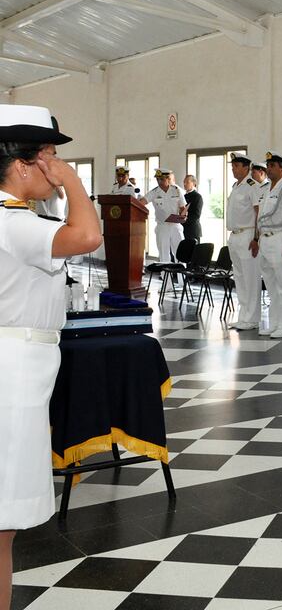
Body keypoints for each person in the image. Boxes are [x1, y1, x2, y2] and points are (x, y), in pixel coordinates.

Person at [0, 104, 102, 610]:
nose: (54, 165)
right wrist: (74, 184)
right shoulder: (11, 219)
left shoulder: (17, 217)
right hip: (11, 371)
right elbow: (86, 236)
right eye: (48, 155)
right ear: (22, 165)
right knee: (0, 522)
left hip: (21, 366)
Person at [255, 151, 282, 338]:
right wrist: (257, 239)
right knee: (271, 284)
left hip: (281, 237)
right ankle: (274, 324)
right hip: (265, 238)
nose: (269, 168)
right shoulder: (266, 188)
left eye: (272, 166)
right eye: (268, 165)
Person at [226, 153, 262, 330]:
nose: (232, 169)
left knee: (250, 278)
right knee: (240, 278)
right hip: (235, 236)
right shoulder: (236, 186)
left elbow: (259, 214)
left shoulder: (252, 186)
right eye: (232, 166)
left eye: (235, 166)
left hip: (248, 235)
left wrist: (256, 238)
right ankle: (243, 316)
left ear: (246, 167)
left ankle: (253, 318)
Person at [139, 168, 186, 263]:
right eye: (157, 179)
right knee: (164, 256)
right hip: (162, 226)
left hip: (176, 226)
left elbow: (182, 208)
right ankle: (166, 278)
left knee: (180, 255)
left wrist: (184, 215)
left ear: (168, 179)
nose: (159, 182)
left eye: (162, 179)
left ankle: (181, 278)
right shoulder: (154, 192)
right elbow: (141, 203)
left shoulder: (176, 190)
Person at [181, 174, 203, 243]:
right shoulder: (183, 196)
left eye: (187, 182)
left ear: (193, 183)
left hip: (193, 231)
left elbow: (196, 215)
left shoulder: (197, 197)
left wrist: (182, 220)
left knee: (193, 253)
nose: (184, 184)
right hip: (183, 229)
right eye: (184, 182)